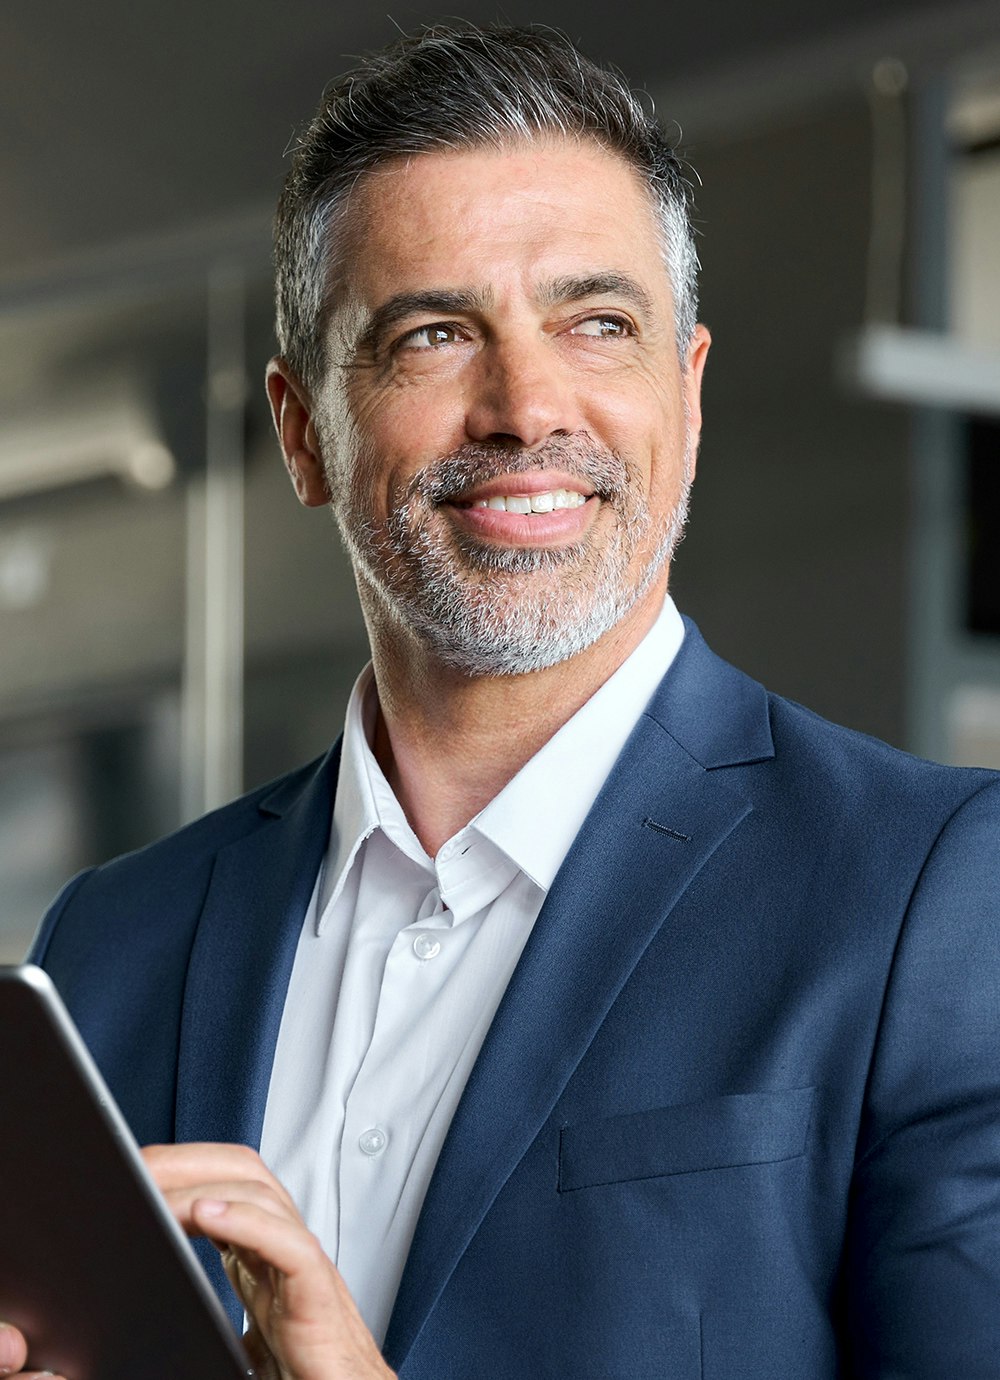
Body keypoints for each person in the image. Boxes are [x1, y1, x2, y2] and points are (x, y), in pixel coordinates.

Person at [4, 22, 1000, 1380]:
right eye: (432, 335)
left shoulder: (935, 894)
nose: (527, 407)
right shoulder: (116, 943)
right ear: (303, 433)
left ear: (687, 395)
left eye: (598, 323)